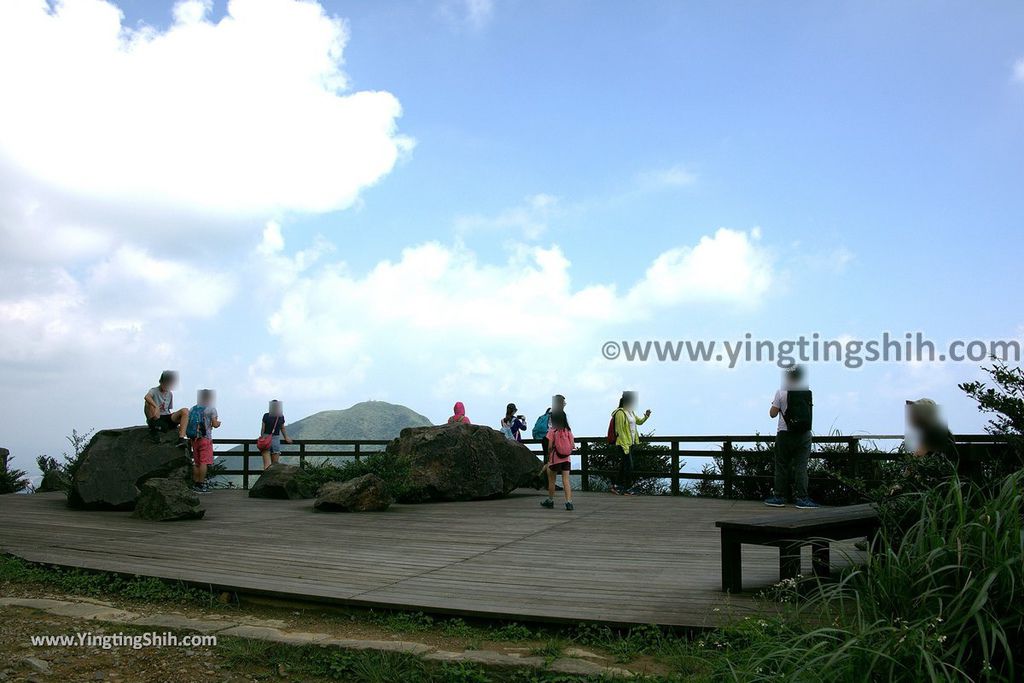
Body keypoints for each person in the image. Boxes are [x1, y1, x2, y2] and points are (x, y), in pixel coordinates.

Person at [765, 366, 819, 509]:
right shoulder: (806, 391)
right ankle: (802, 498)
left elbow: (772, 414)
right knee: (801, 466)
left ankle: (779, 497)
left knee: (781, 465)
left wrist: (774, 404)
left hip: (785, 433)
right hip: (804, 434)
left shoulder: (781, 392)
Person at [609, 391, 651, 495]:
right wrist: (625, 446)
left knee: (624, 465)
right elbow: (619, 431)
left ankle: (617, 486)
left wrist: (646, 416)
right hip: (624, 444)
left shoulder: (630, 412)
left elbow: (639, 422)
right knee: (629, 466)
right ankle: (627, 488)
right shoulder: (620, 413)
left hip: (630, 443)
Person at [143, 371, 189, 447]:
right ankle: (152, 427)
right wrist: (156, 407)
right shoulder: (154, 390)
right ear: (161, 382)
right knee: (148, 403)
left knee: (185, 410)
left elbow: (168, 409)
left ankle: (181, 439)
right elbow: (147, 397)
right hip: (156, 417)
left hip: (166, 417)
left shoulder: (170, 394)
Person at [187, 389, 220, 494]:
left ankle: (195, 484)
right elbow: (214, 424)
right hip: (205, 439)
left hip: (194, 439)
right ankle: (201, 485)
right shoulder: (211, 409)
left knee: (196, 463)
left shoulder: (192, 409)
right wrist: (218, 423)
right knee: (204, 462)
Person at [540, 410, 574, 511]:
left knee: (552, 480)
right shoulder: (568, 430)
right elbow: (572, 445)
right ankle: (569, 502)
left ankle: (550, 500)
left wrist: (549, 456)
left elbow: (550, 446)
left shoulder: (552, 431)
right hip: (567, 459)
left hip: (555, 459)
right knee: (566, 481)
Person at [259, 400, 293, 470]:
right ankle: (273, 480)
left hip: (265, 439)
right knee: (275, 465)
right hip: (276, 439)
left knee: (267, 465)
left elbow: (262, 429)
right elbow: (282, 428)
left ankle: (266, 479)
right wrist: (286, 437)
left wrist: (263, 438)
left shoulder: (265, 416)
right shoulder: (280, 417)